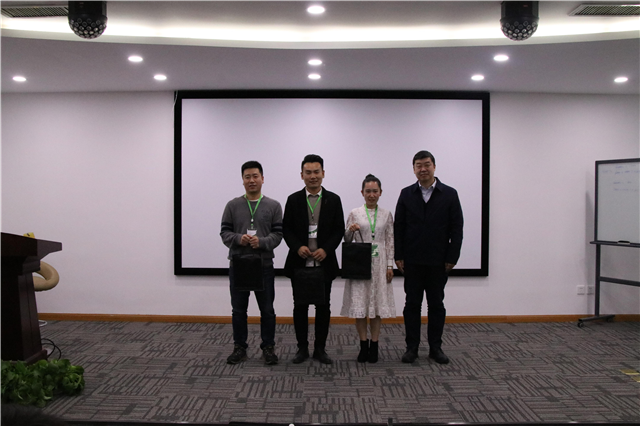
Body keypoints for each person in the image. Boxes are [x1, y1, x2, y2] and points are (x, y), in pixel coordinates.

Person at [394, 150, 463, 364]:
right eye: (418, 165)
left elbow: (457, 229)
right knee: (412, 305)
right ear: (414, 169)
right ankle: (411, 348)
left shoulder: (449, 194)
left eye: (426, 165)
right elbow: (399, 227)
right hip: (412, 261)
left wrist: (452, 257)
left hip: (438, 261)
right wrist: (398, 255)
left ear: (434, 166)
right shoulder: (406, 194)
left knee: (436, 305)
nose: (423, 169)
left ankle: (435, 348)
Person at [283, 154, 344, 364]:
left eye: (316, 172)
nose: (312, 176)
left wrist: (326, 249)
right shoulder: (293, 200)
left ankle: (320, 349)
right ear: (302, 175)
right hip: (299, 262)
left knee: (323, 306)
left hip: (324, 263)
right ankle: (302, 348)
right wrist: (297, 246)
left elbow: (339, 229)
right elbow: (286, 229)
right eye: (308, 172)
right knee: (300, 306)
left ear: (323, 173)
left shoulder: (333, 199)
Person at [221, 160, 283, 365]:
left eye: (255, 176)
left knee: (267, 310)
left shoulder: (273, 206)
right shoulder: (232, 205)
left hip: (264, 265)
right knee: (239, 310)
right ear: (243, 180)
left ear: (262, 179)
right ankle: (239, 347)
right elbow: (224, 233)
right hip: (239, 265)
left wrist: (262, 242)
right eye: (247, 177)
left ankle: (268, 348)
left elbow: (278, 235)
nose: (251, 180)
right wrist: (239, 239)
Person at [341, 174, 395, 363]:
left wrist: (390, 265)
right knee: (360, 306)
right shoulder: (355, 213)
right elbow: (346, 240)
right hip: (360, 262)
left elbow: (390, 240)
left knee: (377, 307)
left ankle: (375, 345)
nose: (371, 195)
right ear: (362, 192)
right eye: (368, 191)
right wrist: (350, 230)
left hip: (380, 264)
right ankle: (363, 345)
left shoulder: (386, 214)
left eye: (375, 191)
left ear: (380, 192)